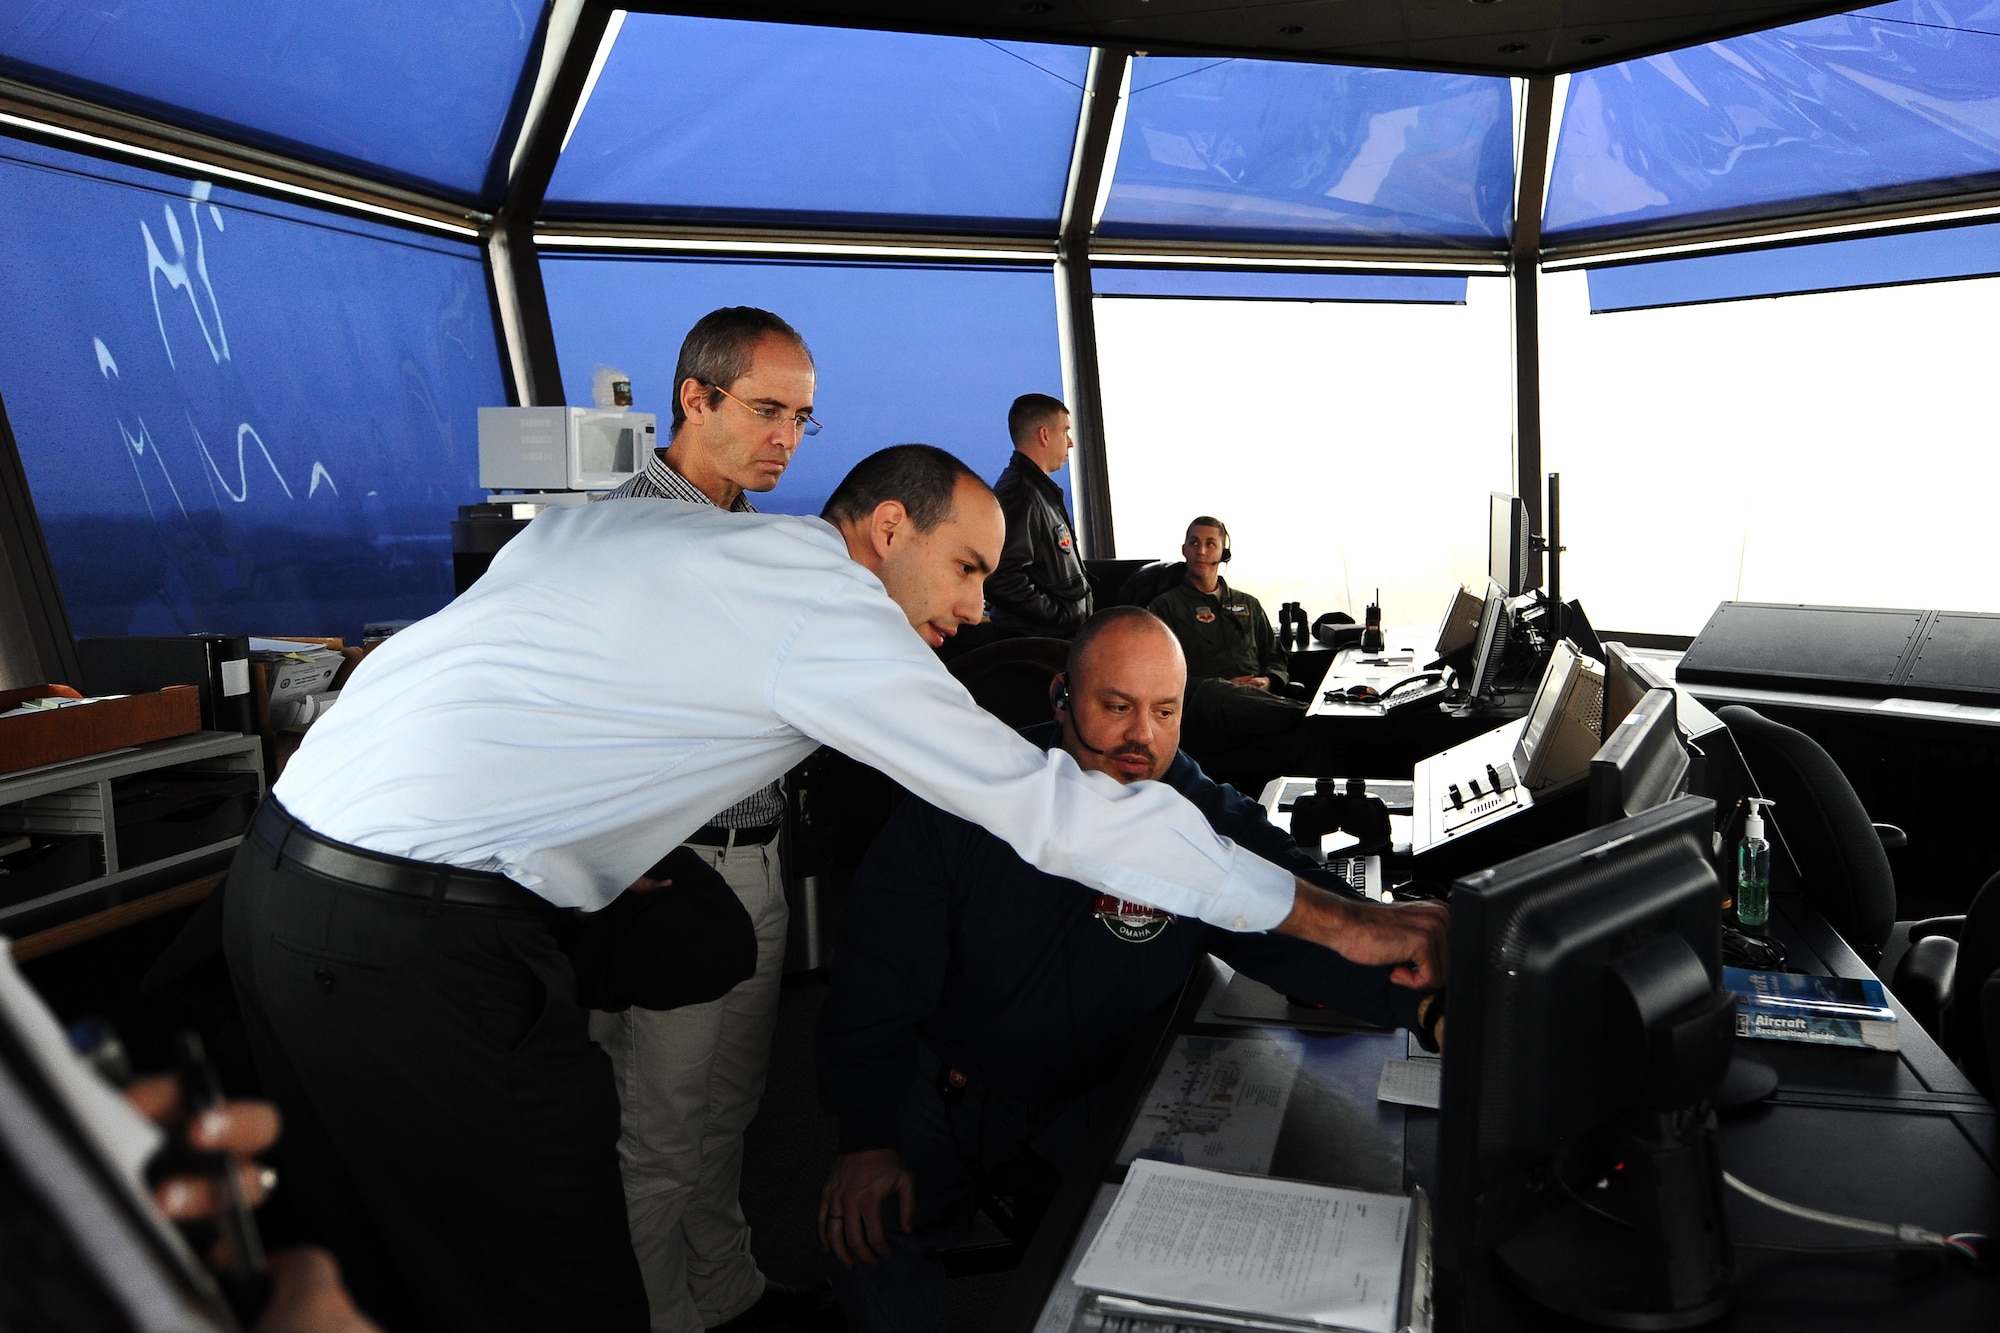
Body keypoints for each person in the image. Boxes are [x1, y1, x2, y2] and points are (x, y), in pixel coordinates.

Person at [223, 444, 1445, 1333]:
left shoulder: (634, 534)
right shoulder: (824, 605)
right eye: (965, 568)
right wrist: (1350, 917)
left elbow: (524, 660)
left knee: (380, 1266)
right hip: (415, 939)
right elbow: (1046, 811)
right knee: (557, 1276)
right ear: (880, 535)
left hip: (288, 889)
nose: (974, 612)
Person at [814, 607, 1445, 1333]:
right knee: (867, 1231)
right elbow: (874, 974)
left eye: (1164, 711)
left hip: (1103, 1088)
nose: (1142, 736)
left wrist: (1430, 1004)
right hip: (956, 1081)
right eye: (1116, 707)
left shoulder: (1202, 811)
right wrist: (864, 1136)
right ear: (1062, 697)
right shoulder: (967, 799)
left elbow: (1308, 928)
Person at [593, 307, 823, 1333]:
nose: (784, 436)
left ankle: (723, 1290)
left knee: (731, 1106)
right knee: (660, 1129)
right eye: (767, 410)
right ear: (696, 398)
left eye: (800, 418)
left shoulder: (740, 533)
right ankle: (658, 1316)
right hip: (674, 871)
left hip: (762, 856)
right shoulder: (625, 533)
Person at [1148, 516, 1322, 784]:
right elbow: (1158, 677)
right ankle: (1317, 713)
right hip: (1203, 706)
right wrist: (1220, 686)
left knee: (1309, 741)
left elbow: (1274, 657)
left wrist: (1269, 680)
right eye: (1194, 543)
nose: (1201, 551)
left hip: (1256, 706)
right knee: (1217, 690)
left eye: (1210, 544)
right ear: (1184, 550)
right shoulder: (1165, 608)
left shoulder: (1248, 604)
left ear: (1223, 552)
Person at [985, 393, 1092, 638]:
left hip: (1051, 642)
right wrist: (1060, 616)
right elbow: (1001, 577)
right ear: (1044, 435)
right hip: (1037, 647)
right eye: (1065, 432)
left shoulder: (1037, 492)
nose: (1071, 442)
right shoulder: (1021, 494)